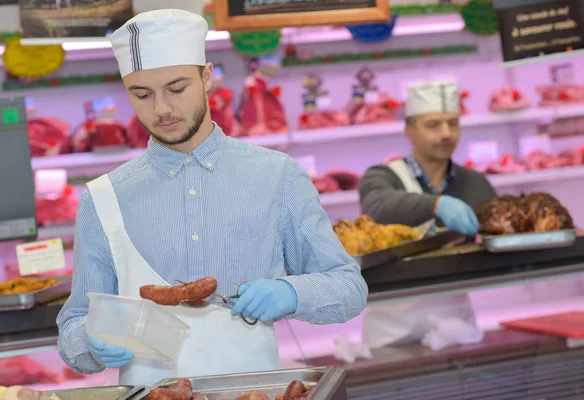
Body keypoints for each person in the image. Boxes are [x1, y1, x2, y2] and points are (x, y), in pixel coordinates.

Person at [57, 9, 368, 385]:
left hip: (255, 393)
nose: (162, 109)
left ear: (206, 77)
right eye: (142, 95)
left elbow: (348, 287)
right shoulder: (102, 199)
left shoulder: (275, 175)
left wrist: (293, 292)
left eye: (176, 89)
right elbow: (73, 324)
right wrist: (89, 341)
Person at [358, 80, 497, 349]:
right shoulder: (381, 177)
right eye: (433, 125)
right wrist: (437, 205)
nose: (446, 133)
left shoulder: (476, 183)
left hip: (457, 327)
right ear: (409, 130)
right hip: (391, 334)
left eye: (452, 123)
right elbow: (380, 205)